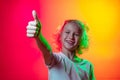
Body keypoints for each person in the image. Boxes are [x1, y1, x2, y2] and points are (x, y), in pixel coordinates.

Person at [26, 10, 96, 80]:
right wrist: (38, 36)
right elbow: (47, 50)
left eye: (76, 34)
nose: (71, 37)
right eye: (67, 32)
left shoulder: (88, 66)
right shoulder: (54, 60)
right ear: (60, 36)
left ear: (81, 40)